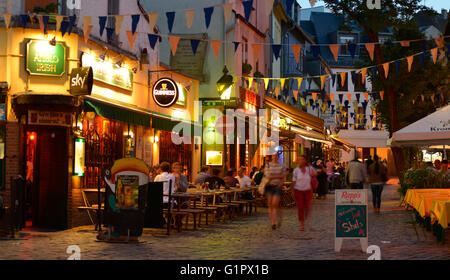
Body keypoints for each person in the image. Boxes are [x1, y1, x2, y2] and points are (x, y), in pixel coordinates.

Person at [292, 155, 317, 231]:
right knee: (300, 207)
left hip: (308, 190)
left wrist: (312, 174)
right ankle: (302, 224)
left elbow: (315, 174)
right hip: (298, 190)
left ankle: (305, 218)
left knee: (307, 207)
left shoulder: (309, 169)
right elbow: (294, 181)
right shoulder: (296, 170)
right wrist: (292, 190)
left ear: (305, 161)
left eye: (302, 159)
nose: (300, 161)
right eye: (299, 160)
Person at [264, 152, 286, 230]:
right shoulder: (268, 165)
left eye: (276, 156)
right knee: (270, 205)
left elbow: (284, 177)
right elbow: (268, 176)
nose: (275, 157)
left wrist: (281, 182)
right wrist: (279, 176)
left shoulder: (282, 165)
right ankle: (273, 223)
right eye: (273, 156)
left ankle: (279, 215)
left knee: (275, 203)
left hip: (278, 186)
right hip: (269, 186)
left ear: (278, 157)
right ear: (272, 156)